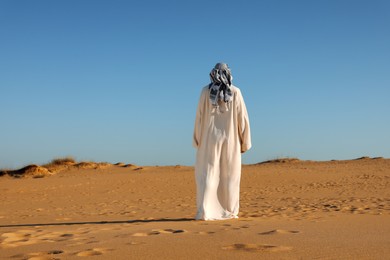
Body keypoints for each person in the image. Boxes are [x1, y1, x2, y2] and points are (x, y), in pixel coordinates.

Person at [193, 62, 251, 220]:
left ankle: (206, 211)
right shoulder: (235, 92)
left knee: (208, 175)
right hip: (230, 140)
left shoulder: (205, 91)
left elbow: (198, 117)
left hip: (208, 139)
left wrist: (197, 139)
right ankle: (229, 211)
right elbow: (243, 119)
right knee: (230, 176)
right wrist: (245, 141)